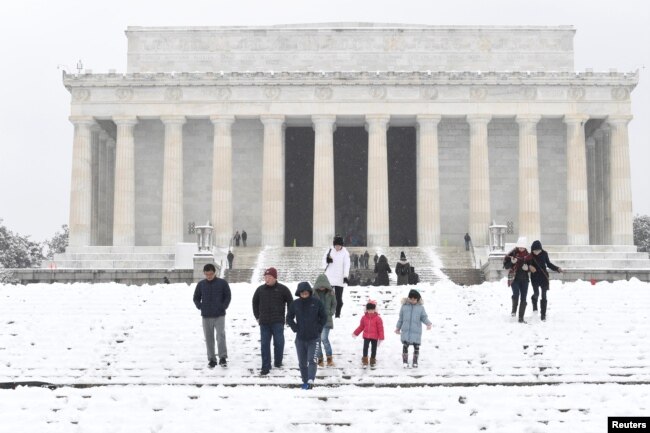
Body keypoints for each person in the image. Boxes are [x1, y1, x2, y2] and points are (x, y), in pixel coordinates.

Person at [252, 267, 293, 375]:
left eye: (269, 277)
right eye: (265, 277)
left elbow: (290, 302)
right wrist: (257, 316)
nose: (267, 279)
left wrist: (289, 316)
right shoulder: (260, 290)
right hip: (264, 322)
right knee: (264, 344)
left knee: (279, 343)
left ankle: (278, 362)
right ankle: (266, 366)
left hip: (278, 321)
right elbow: (254, 303)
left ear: (275, 278)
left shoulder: (283, 289)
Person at [286, 281, 327, 390]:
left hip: (314, 338)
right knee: (302, 363)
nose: (304, 294)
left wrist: (318, 329)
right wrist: (295, 328)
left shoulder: (316, 302)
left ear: (309, 292)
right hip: (300, 339)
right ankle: (305, 381)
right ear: (299, 293)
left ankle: (310, 380)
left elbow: (324, 317)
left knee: (312, 360)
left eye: (306, 292)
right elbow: (289, 318)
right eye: (302, 293)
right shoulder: (295, 304)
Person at [192, 263, 232, 368]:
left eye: (211, 274)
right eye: (207, 274)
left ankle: (222, 358)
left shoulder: (222, 283)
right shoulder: (201, 284)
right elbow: (196, 297)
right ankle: (212, 359)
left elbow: (228, 296)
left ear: (215, 273)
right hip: (206, 316)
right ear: (204, 274)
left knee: (220, 336)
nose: (209, 276)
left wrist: (223, 306)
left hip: (219, 315)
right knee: (209, 338)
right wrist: (200, 306)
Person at [395, 289, 432, 368]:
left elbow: (424, 317)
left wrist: (428, 323)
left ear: (417, 299)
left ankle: (415, 361)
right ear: (408, 298)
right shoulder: (404, 306)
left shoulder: (420, 308)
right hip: (406, 331)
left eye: (414, 299)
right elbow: (401, 318)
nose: (412, 301)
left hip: (416, 331)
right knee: (405, 346)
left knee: (416, 347)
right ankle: (405, 361)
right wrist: (398, 328)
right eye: (411, 299)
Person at [503, 237, 536, 323]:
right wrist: (512, 263)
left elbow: (532, 267)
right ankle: (514, 310)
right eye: (519, 247)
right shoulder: (512, 254)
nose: (521, 249)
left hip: (525, 279)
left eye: (523, 247)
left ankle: (521, 318)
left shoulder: (528, 256)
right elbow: (506, 266)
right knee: (516, 294)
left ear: (525, 247)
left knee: (524, 298)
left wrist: (527, 269)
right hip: (514, 278)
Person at [527, 240, 562, 322]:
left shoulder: (544, 254)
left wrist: (557, 268)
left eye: (538, 250)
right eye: (535, 251)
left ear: (541, 249)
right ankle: (534, 301)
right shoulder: (530, 256)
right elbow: (526, 265)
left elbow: (548, 264)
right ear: (532, 250)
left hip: (543, 277)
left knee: (544, 295)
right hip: (535, 277)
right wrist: (529, 267)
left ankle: (543, 314)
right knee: (536, 293)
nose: (537, 252)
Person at [312, 273, 337, 367]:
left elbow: (334, 304)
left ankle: (329, 357)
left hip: (326, 319)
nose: (322, 287)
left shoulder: (331, 293)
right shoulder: (313, 293)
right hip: (316, 320)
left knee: (324, 338)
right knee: (317, 339)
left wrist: (331, 312)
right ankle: (320, 358)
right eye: (320, 285)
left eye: (324, 285)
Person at [323, 235, 350, 318]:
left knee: (339, 299)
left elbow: (346, 265)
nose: (337, 247)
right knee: (326, 298)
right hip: (329, 277)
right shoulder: (330, 250)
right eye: (336, 245)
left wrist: (345, 276)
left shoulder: (345, 253)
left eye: (339, 245)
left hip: (339, 278)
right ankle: (326, 314)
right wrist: (327, 261)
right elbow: (323, 261)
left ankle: (337, 314)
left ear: (342, 245)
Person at [352, 301, 384, 367]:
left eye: (372, 309)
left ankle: (372, 360)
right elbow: (361, 327)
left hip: (375, 337)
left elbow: (380, 329)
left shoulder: (378, 318)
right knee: (365, 348)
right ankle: (365, 360)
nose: (370, 311)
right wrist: (355, 333)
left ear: (374, 309)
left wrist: (381, 337)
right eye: (369, 310)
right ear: (367, 310)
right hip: (366, 336)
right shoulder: (364, 318)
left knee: (374, 349)